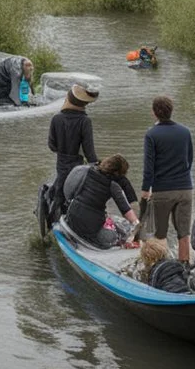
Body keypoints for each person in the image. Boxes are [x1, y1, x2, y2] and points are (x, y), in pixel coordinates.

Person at [141, 96, 194, 263]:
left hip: (162, 189)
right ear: (171, 111)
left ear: (154, 112)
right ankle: (184, 267)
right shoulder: (185, 132)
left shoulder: (151, 134)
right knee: (184, 233)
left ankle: (161, 268)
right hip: (185, 189)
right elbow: (189, 159)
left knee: (160, 234)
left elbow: (149, 166)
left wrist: (145, 189)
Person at [46, 83, 100, 218]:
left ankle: (52, 216)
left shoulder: (56, 118)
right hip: (76, 164)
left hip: (61, 162)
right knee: (75, 192)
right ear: (83, 104)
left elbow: (52, 146)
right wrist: (98, 167)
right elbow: (89, 152)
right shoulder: (84, 121)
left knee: (60, 190)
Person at [63, 154, 140, 248]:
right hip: (91, 228)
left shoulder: (87, 171)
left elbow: (69, 191)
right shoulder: (113, 185)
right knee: (121, 234)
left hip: (72, 217)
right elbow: (126, 211)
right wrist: (138, 226)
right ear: (117, 173)